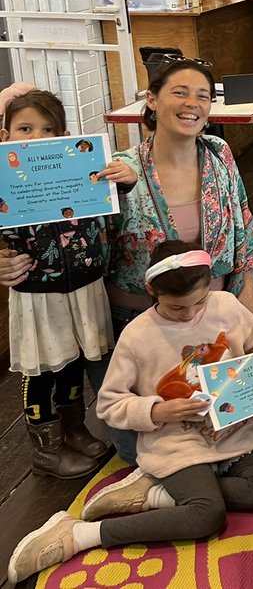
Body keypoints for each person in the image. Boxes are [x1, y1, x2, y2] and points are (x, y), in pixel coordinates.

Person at [6, 242, 253, 585]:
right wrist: (158, 410)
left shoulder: (227, 305)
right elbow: (109, 404)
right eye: (177, 308)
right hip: (176, 443)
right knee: (206, 517)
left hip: (236, 436)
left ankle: (153, 495)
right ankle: (79, 535)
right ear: (152, 290)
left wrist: (252, 392)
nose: (191, 315)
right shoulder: (137, 335)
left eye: (199, 302)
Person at [0, 89, 115, 478]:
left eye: (49, 129)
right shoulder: (4, 182)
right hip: (37, 292)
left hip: (81, 285)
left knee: (74, 360)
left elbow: (108, 208)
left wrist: (121, 181)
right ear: (6, 136)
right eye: (25, 128)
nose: (38, 137)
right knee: (42, 369)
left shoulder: (81, 169)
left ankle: (73, 427)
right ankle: (45, 451)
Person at [106, 57, 253, 324]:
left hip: (212, 309)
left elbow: (241, 219)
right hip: (139, 316)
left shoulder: (218, 153)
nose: (192, 103)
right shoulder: (123, 170)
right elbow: (88, 240)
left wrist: (247, 284)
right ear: (152, 100)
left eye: (202, 96)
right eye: (179, 92)